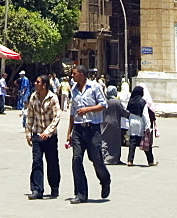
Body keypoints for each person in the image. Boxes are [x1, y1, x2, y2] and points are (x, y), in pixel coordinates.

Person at [65, 64, 111, 204]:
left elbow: (104, 105)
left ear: (82, 74)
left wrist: (87, 109)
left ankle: (105, 179)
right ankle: (81, 193)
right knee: (76, 160)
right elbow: (73, 112)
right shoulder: (73, 89)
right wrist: (69, 132)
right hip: (78, 129)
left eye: (74, 73)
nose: (72, 76)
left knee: (96, 158)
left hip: (92, 129)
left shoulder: (95, 87)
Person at [26, 75, 61, 200]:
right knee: (37, 161)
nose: (35, 83)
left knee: (52, 162)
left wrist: (48, 132)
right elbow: (30, 116)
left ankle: (54, 186)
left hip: (50, 137)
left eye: (38, 81)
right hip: (37, 134)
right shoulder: (33, 97)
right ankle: (37, 189)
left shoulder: (53, 98)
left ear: (44, 85)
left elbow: (57, 117)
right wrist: (28, 133)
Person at [126, 86, 156, 166]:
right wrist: (148, 127)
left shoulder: (131, 101)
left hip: (132, 122)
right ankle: (150, 161)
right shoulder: (142, 102)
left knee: (132, 141)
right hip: (140, 123)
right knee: (146, 142)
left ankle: (130, 160)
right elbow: (145, 115)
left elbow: (128, 112)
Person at [101, 86, 130, 165]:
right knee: (115, 141)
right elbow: (123, 111)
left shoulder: (104, 101)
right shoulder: (116, 102)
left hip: (104, 122)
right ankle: (114, 159)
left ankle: (103, 158)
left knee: (105, 139)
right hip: (114, 123)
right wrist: (130, 115)